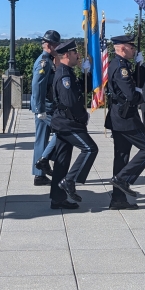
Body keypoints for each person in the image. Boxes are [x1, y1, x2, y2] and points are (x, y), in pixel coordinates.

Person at [104, 35, 145, 210]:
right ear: (121, 48)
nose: (134, 50)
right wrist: (142, 95)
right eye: (131, 47)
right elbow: (132, 95)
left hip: (118, 116)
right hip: (126, 118)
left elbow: (135, 84)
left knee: (121, 157)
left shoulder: (122, 65)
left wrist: (140, 69)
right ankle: (122, 179)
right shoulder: (121, 68)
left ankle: (117, 199)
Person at [49, 39, 98, 209]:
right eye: (75, 53)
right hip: (68, 123)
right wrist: (82, 116)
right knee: (90, 149)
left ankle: (57, 198)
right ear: (67, 54)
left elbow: (83, 90)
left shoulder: (68, 71)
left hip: (64, 122)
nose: (78, 55)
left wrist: (87, 74)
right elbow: (70, 101)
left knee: (62, 161)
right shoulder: (64, 75)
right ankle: (69, 181)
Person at [31, 30, 60, 186]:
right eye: (56, 44)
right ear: (49, 45)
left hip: (48, 106)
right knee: (62, 130)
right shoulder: (44, 61)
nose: (58, 47)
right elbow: (38, 86)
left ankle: (39, 174)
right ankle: (42, 166)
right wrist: (39, 109)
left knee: (41, 139)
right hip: (45, 107)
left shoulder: (49, 59)